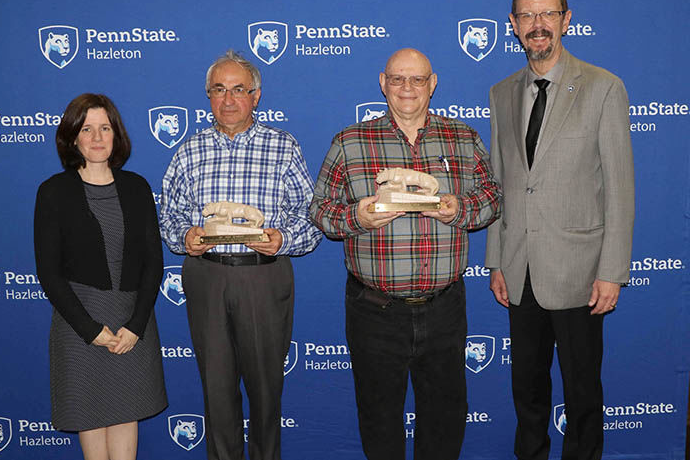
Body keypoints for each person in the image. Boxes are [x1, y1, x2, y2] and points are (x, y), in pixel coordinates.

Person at [310, 48, 501, 460]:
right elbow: (320, 210)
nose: (407, 89)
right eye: (398, 79)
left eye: (417, 80)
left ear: (433, 84)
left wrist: (459, 208)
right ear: (383, 84)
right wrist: (358, 216)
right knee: (379, 421)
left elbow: (492, 197)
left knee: (446, 419)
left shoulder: (463, 139)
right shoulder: (350, 141)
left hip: (444, 308)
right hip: (374, 310)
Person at [485, 0, 634, 460]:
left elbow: (619, 189)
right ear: (512, 25)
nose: (538, 24)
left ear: (566, 20)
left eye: (547, 13)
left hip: (580, 272)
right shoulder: (502, 92)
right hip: (520, 268)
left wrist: (612, 272)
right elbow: (500, 182)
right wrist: (495, 260)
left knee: (583, 393)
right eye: (527, 15)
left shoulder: (604, 88)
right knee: (527, 392)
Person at [159, 50, 322, 460]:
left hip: (263, 277)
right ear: (208, 96)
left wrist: (282, 240)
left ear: (256, 95)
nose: (228, 99)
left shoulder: (283, 147)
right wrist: (185, 236)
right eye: (218, 90)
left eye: (238, 90)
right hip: (207, 276)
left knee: (266, 391)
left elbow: (312, 217)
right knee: (216, 390)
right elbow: (169, 217)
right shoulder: (188, 150)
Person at [34, 93, 167, 460]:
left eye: (104, 128)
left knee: (126, 416)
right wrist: (90, 330)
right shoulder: (52, 192)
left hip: (131, 322)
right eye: (87, 128)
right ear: (73, 137)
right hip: (80, 324)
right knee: (91, 417)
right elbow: (49, 272)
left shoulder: (137, 188)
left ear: (116, 134)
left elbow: (153, 264)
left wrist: (136, 325)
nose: (96, 137)